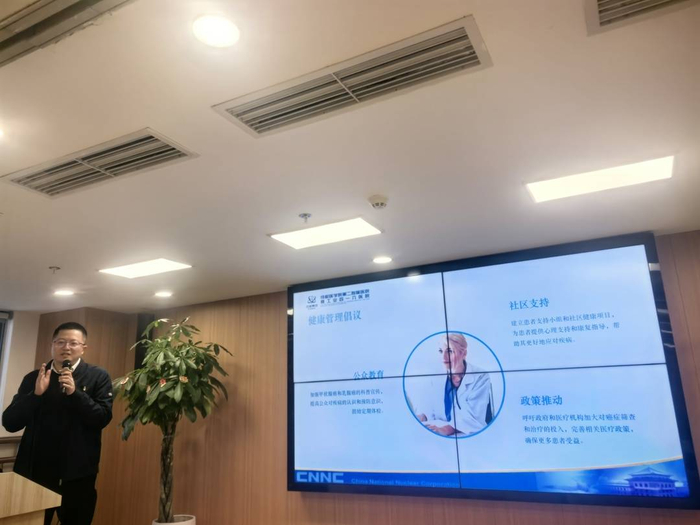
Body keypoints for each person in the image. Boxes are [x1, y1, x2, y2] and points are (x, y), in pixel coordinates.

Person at [2, 322, 113, 525]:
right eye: (60, 342)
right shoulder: (34, 377)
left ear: (83, 348)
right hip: (35, 472)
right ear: (52, 345)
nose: (66, 347)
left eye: (73, 343)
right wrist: (35, 395)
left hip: (77, 474)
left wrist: (75, 393)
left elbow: (101, 418)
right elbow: (10, 423)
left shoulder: (98, 376)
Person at [413, 333, 491, 436]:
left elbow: (474, 418)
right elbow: (431, 410)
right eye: (441, 351)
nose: (443, 357)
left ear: (463, 353)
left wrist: (446, 429)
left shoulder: (480, 377)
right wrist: (422, 417)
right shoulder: (436, 376)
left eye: (449, 351)